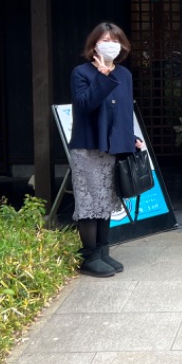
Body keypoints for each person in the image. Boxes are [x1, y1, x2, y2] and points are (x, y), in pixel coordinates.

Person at [69, 21, 142, 277]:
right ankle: (89, 257)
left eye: (115, 41)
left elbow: (123, 112)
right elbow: (84, 105)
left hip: (112, 147)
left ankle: (103, 251)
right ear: (94, 45)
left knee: (106, 201)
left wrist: (131, 137)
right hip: (88, 147)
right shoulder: (82, 72)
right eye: (105, 40)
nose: (110, 45)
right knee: (90, 202)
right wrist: (101, 76)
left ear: (121, 45)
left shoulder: (125, 74)